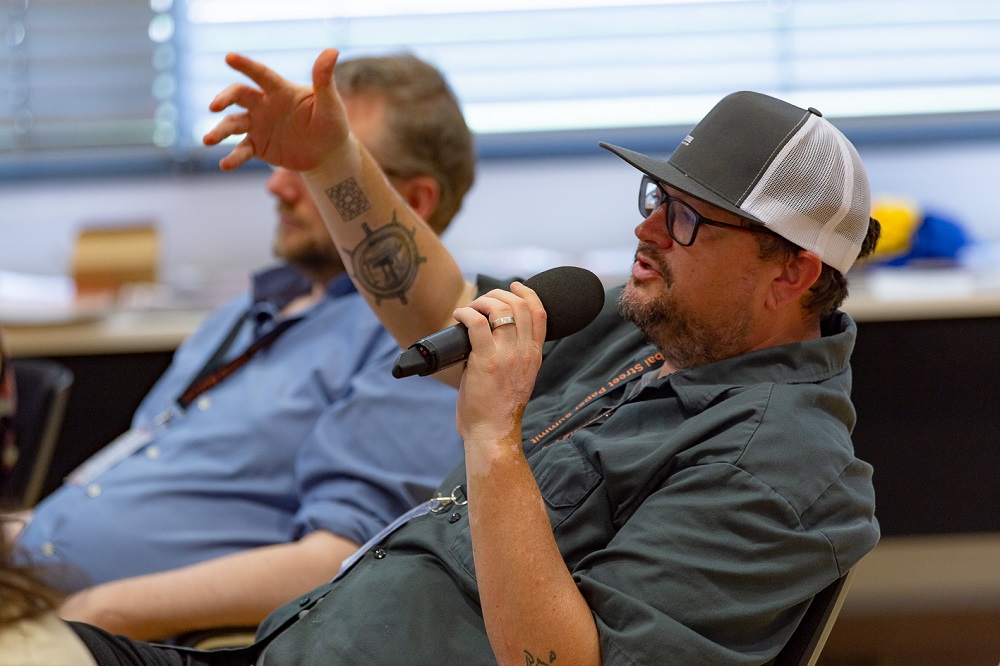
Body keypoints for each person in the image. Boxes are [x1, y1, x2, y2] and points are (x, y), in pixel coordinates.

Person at [69, 49, 881, 665]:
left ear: (793, 271)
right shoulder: (657, 327)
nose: (648, 231)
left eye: (689, 221)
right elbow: (434, 299)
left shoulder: (776, 465)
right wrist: (332, 163)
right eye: (657, 199)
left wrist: (493, 440)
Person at [11, 53, 475, 642]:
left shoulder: (419, 349)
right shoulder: (250, 309)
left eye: (322, 168)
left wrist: (99, 614)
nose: (278, 183)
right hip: (33, 589)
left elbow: (341, 558)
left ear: (414, 200)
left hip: (109, 632)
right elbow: (141, 459)